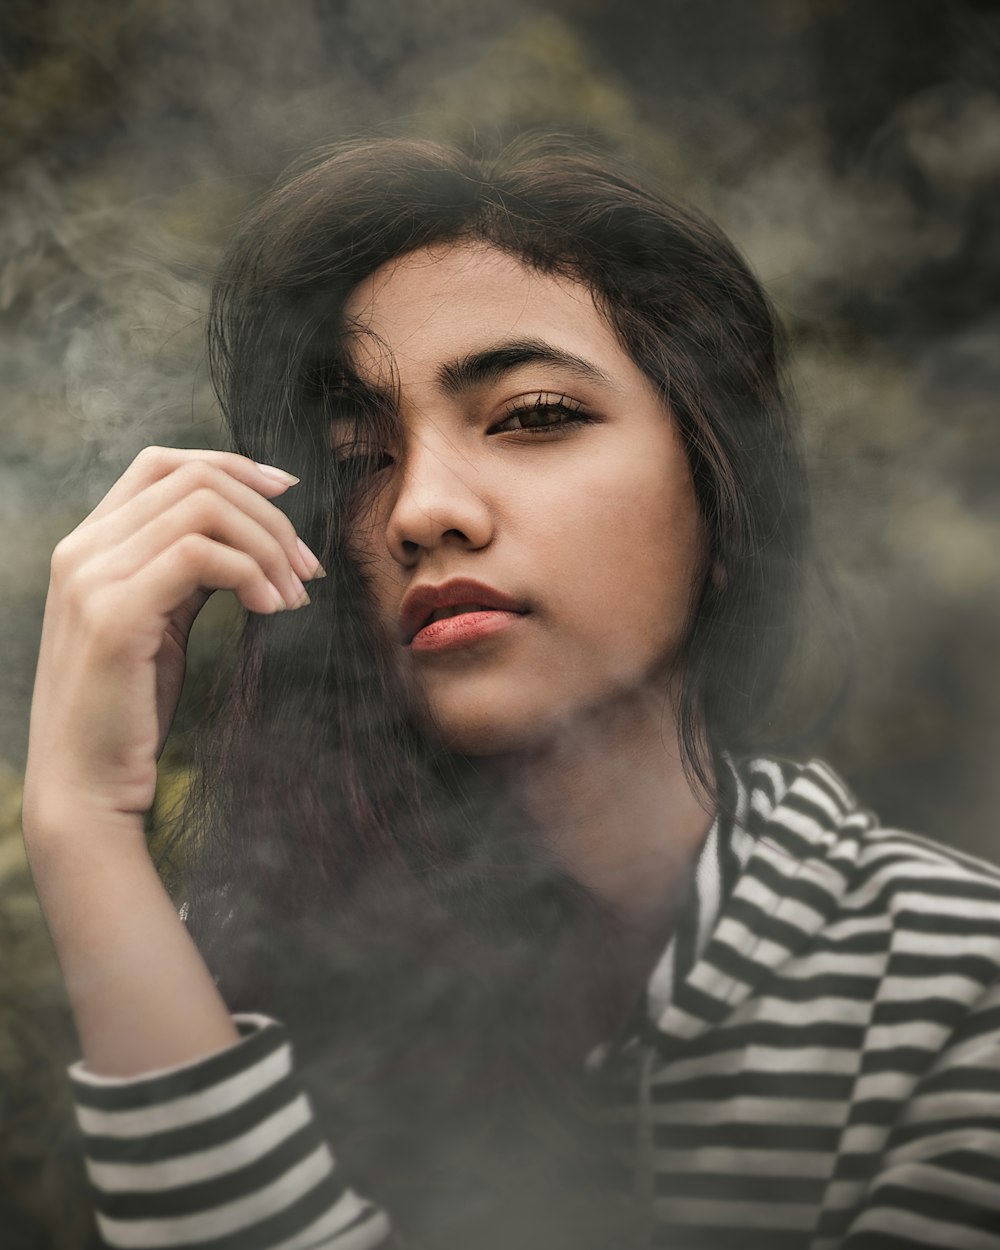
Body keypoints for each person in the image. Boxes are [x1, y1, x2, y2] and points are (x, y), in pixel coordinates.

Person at [21, 135, 1000, 1250]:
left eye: (533, 414)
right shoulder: (250, 963)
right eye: (356, 459)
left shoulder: (959, 986)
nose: (420, 509)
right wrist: (81, 820)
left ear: (724, 490)